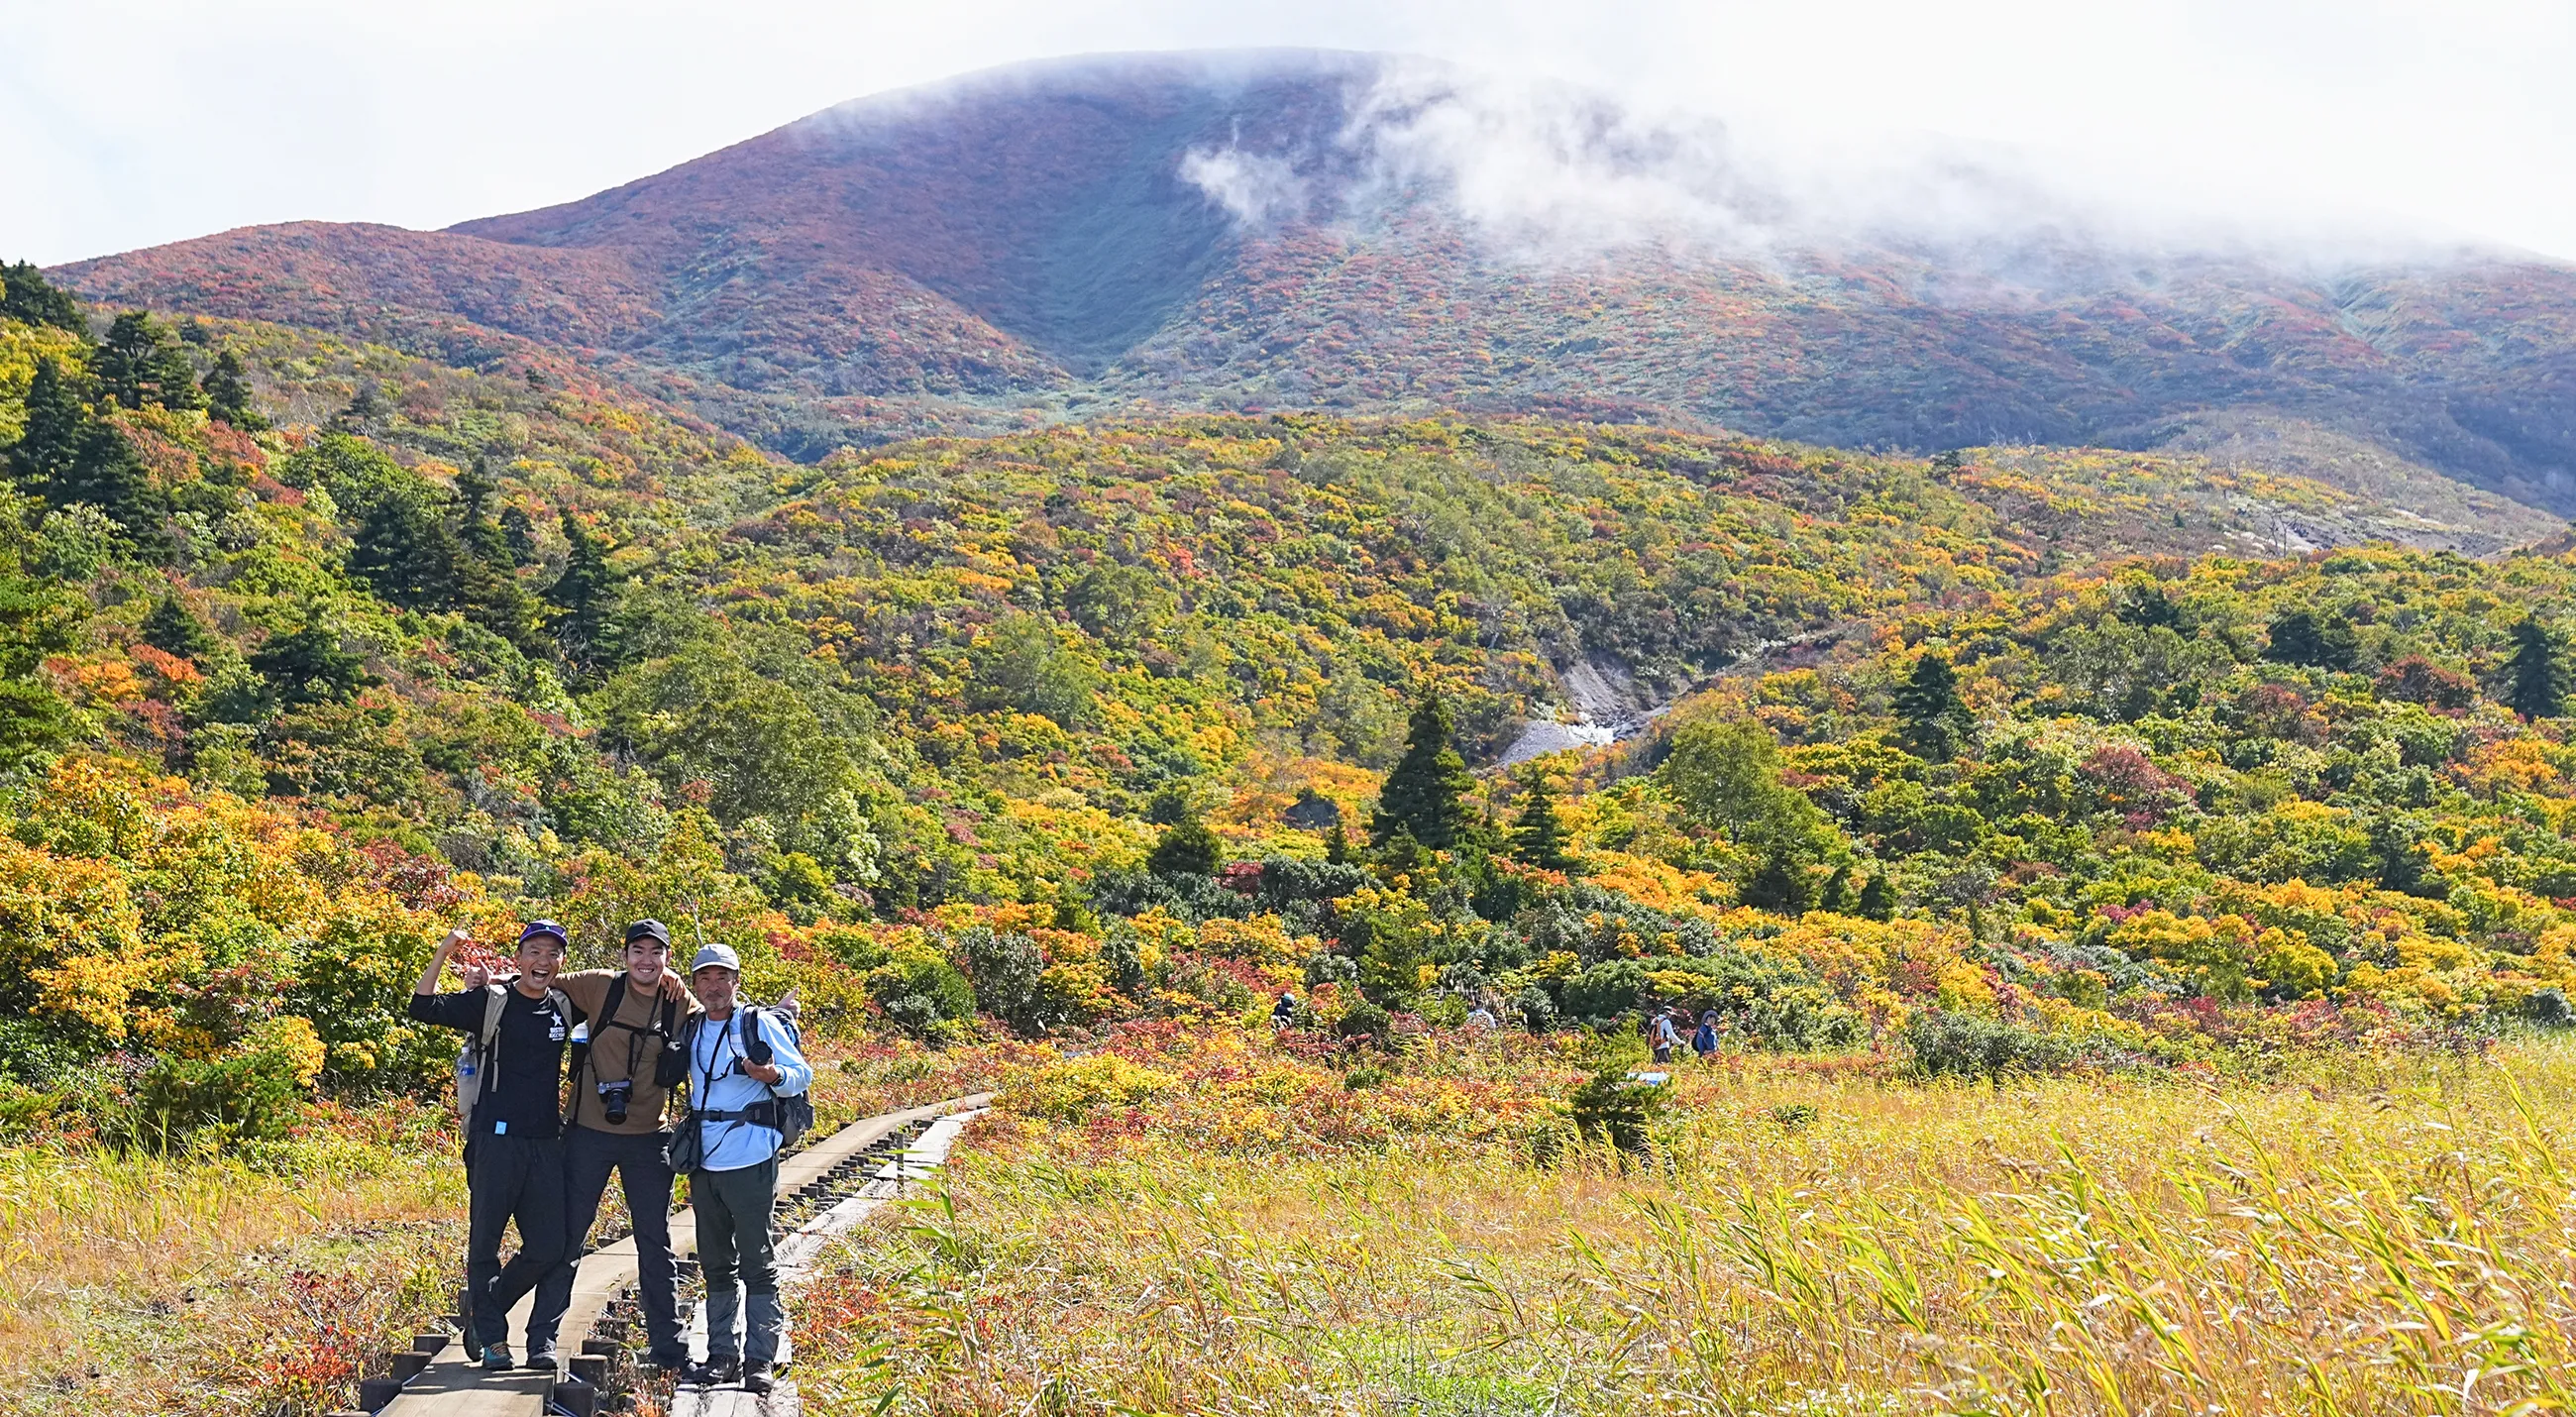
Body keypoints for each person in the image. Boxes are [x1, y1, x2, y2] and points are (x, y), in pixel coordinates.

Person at [410, 923, 585, 1371]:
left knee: (548, 1246)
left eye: (552, 953)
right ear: (519, 957)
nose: (542, 961)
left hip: (545, 1142)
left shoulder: (563, 1008)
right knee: (485, 1243)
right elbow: (422, 1005)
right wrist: (446, 950)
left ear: (561, 962)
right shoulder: (491, 1002)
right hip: (495, 1141)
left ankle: (483, 1314)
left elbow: (624, 992)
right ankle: (493, 1341)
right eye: (534, 952)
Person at [527, 920, 696, 1372]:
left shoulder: (679, 1001)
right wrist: (484, 983)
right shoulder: (601, 986)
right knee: (569, 1238)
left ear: (667, 958)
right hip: (588, 1135)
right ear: (625, 956)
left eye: (655, 953)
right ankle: (541, 1340)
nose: (646, 960)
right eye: (637, 951)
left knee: (654, 1242)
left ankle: (668, 1345)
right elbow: (535, 979)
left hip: (649, 1138)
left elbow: (722, 1017)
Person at [677, 941, 811, 1395]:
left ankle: (760, 1359)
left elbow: (801, 1075)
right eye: (705, 978)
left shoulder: (758, 1023)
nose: (713, 987)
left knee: (756, 1260)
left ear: (737, 981)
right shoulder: (693, 1027)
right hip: (704, 1160)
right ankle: (721, 1356)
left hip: (751, 1155)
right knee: (715, 1261)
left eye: (722, 978)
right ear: (694, 984)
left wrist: (770, 1076)